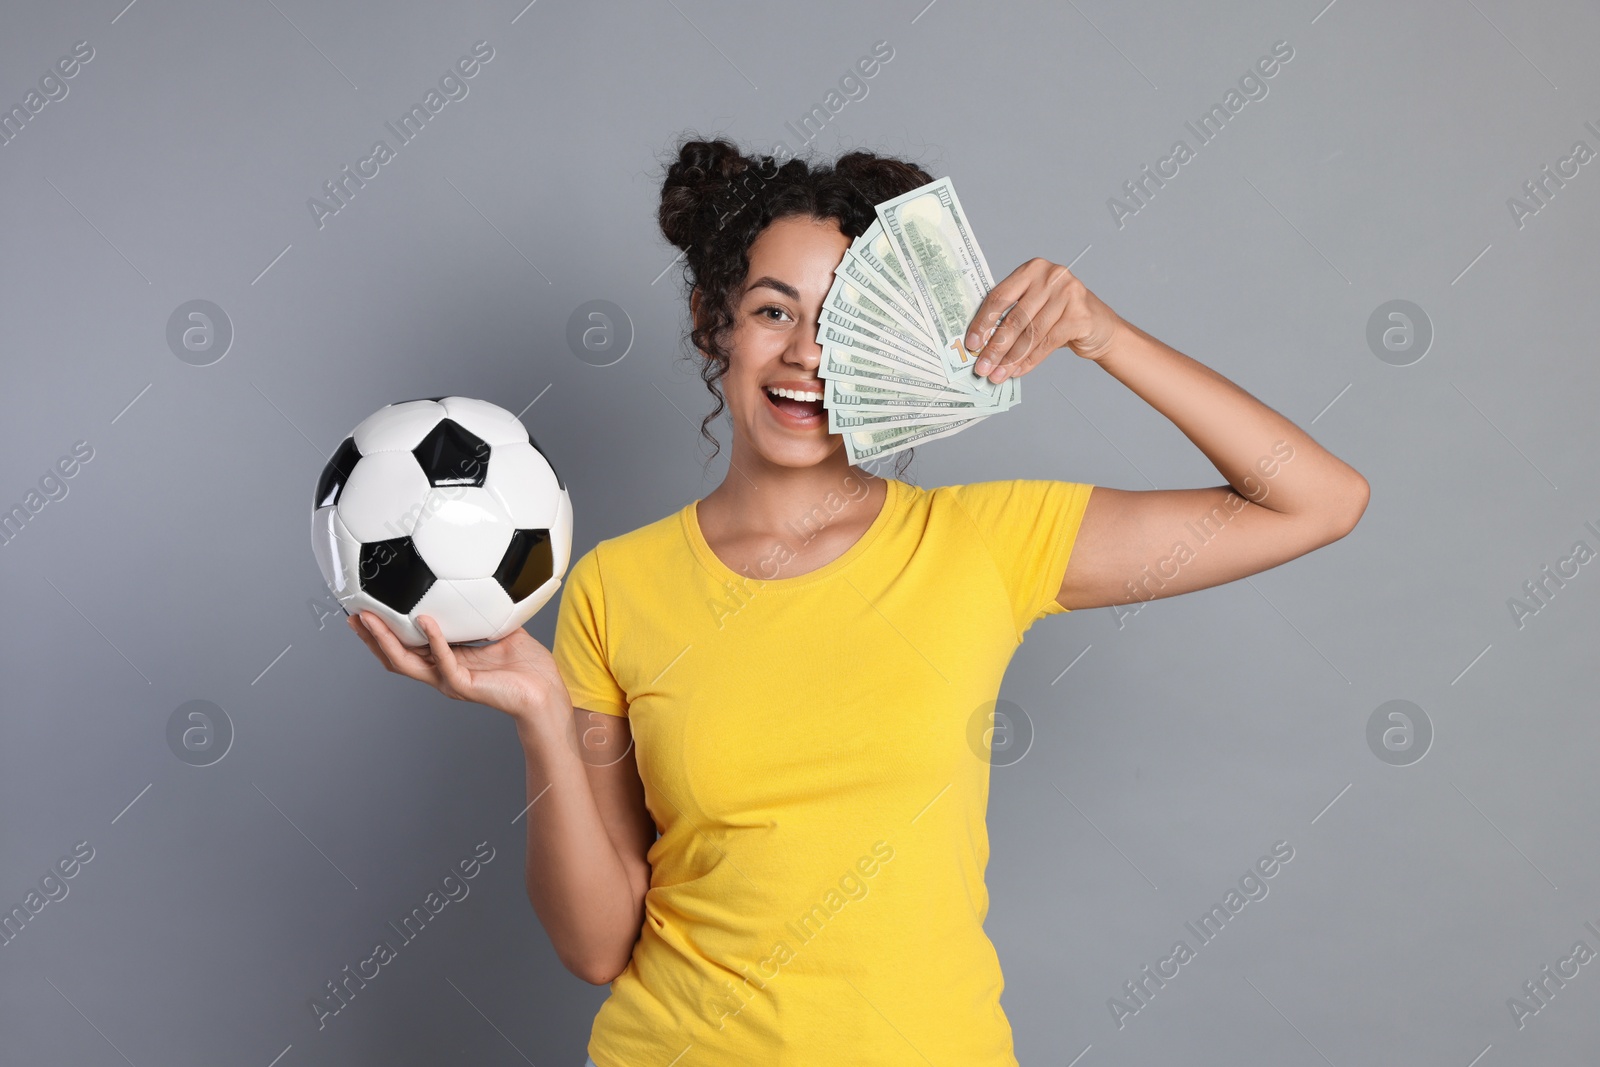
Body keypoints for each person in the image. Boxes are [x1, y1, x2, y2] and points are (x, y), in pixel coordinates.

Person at [348, 136, 1369, 1067]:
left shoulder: (984, 543)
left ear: (896, 345)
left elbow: (1317, 498)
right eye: (772, 309)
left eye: (845, 319)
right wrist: (539, 720)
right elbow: (597, 942)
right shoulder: (619, 582)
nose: (805, 353)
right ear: (717, 326)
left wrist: (1103, 335)